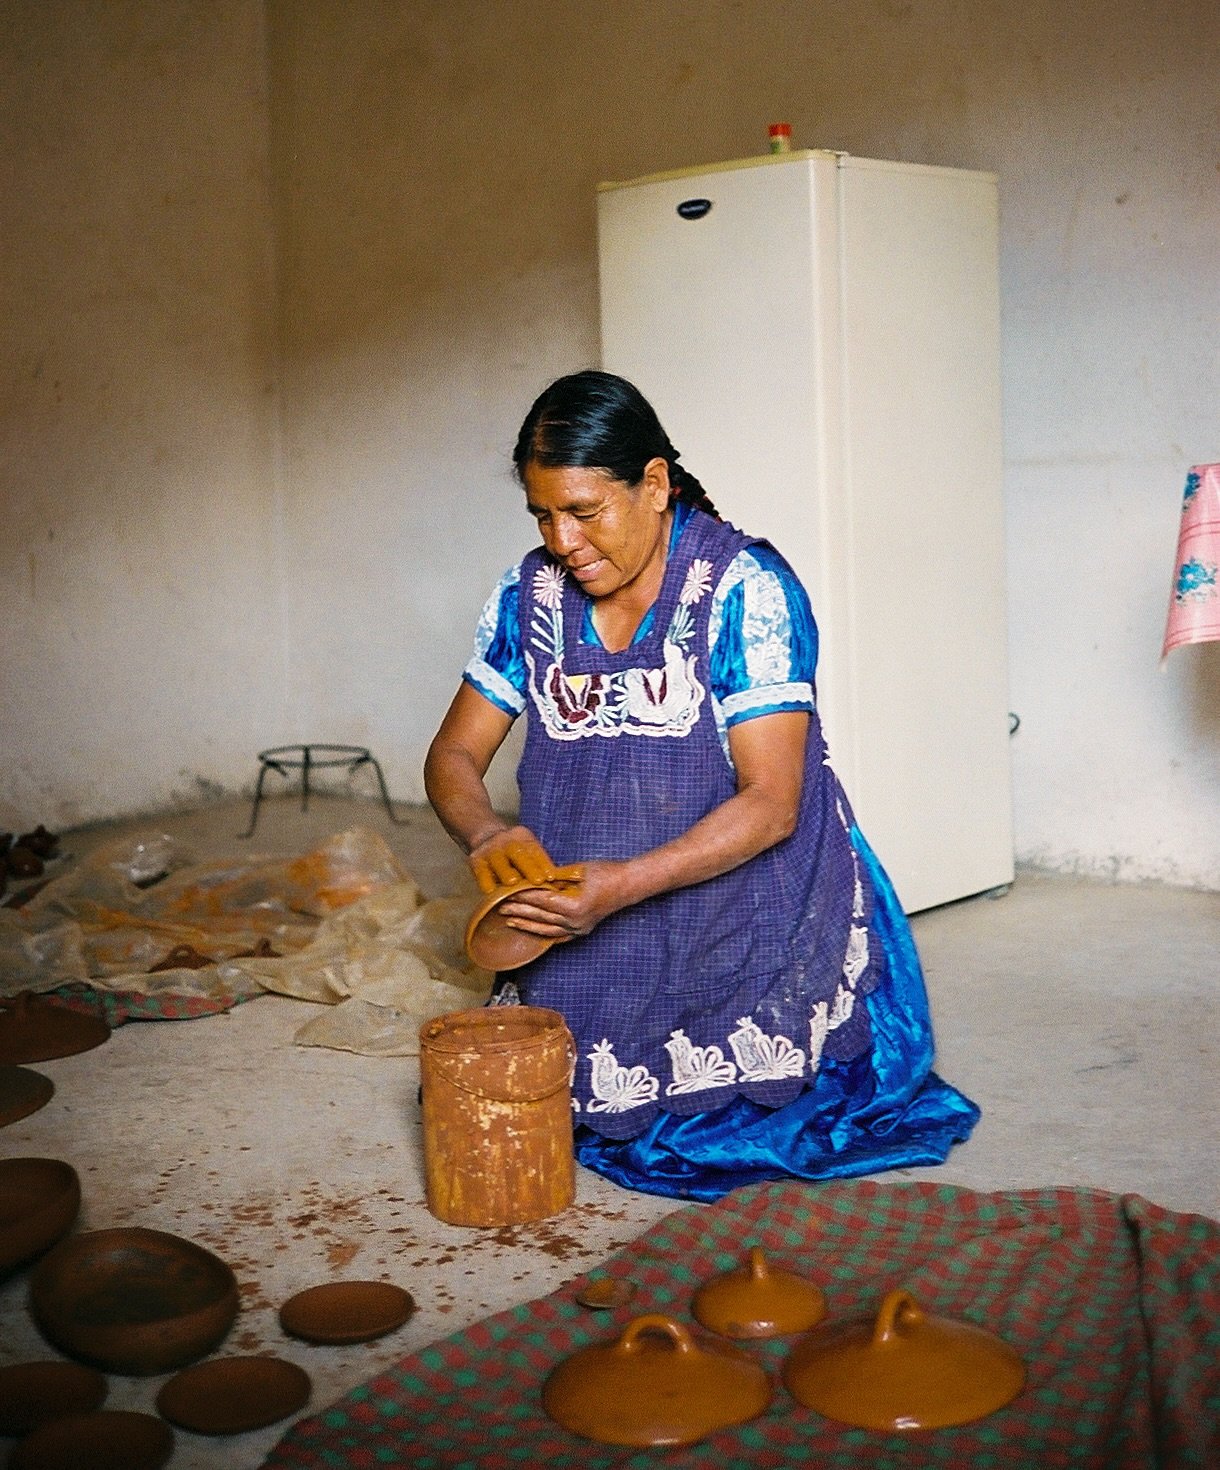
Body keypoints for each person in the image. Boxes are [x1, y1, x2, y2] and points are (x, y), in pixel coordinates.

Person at [425, 370, 979, 1201]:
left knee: (722, 1120)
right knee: (545, 1092)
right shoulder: (527, 596)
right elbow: (452, 756)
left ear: (654, 484)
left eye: (583, 511)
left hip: (748, 895)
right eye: (542, 514)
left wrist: (623, 887)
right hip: (594, 892)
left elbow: (772, 805)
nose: (562, 540)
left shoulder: (745, 590)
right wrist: (485, 831)